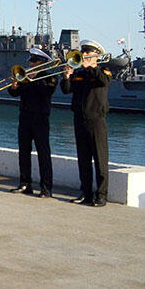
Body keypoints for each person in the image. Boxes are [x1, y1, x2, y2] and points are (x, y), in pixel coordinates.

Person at [60, 40, 111, 206]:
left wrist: (92, 66)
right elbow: (67, 90)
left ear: (95, 55)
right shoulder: (79, 73)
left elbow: (104, 81)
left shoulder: (103, 71)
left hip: (96, 120)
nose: (84, 56)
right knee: (83, 159)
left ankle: (101, 195)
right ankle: (86, 193)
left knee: (100, 159)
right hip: (79, 119)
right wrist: (67, 76)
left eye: (87, 54)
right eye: (83, 53)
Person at [7, 47, 57, 197]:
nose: (32, 64)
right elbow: (15, 93)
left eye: (34, 61)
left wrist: (31, 79)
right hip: (25, 116)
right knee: (23, 152)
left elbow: (46, 92)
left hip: (41, 118)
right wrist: (14, 86)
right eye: (31, 61)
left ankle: (46, 187)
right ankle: (25, 183)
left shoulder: (51, 77)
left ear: (42, 63)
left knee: (43, 153)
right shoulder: (25, 77)